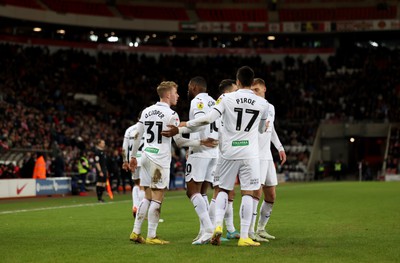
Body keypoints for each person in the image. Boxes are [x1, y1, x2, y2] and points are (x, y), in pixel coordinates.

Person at [162, 66, 269, 247]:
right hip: (250, 153)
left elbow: (207, 119)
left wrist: (183, 125)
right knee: (248, 193)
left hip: (228, 151)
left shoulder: (226, 98)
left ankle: (217, 226)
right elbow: (261, 129)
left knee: (221, 189)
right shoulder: (263, 104)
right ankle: (244, 237)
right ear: (252, 82)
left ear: (238, 81)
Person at [128, 81, 218, 245]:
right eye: (175, 93)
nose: (178, 96)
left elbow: (136, 135)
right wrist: (200, 142)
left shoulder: (146, 111)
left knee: (147, 196)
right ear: (168, 94)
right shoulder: (171, 114)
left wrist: (133, 157)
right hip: (159, 159)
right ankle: (152, 235)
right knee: (158, 197)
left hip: (146, 156)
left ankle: (136, 231)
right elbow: (180, 142)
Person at [250, 78, 286, 242]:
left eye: (257, 89)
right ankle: (250, 231)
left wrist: (279, 147)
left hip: (267, 156)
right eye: (252, 90)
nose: (254, 92)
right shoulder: (252, 106)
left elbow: (271, 129)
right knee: (256, 193)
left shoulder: (270, 107)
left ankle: (261, 228)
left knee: (271, 195)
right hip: (255, 155)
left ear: (265, 88)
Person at [183, 76, 219, 245]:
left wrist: (183, 126)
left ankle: (209, 229)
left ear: (195, 86)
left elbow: (201, 122)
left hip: (201, 149)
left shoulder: (197, 101)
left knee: (191, 191)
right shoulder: (214, 101)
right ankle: (204, 231)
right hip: (215, 151)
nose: (188, 89)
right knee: (203, 192)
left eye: (189, 86)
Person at [208, 79, 240, 241]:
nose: (238, 92)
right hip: (220, 152)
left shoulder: (225, 103)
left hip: (225, 151)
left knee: (229, 191)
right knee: (219, 191)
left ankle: (230, 229)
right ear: (227, 92)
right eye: (235, 90)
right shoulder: (223, 101)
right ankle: (211, 229)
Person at [122, 119, 145, 218]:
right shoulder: (146, 129)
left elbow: (124, 147)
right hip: (144, 159)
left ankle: (135, 206)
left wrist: (125, 161)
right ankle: (141, 211)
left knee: (136, 184)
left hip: (133, 160)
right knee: (143, 186)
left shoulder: (129, 130)